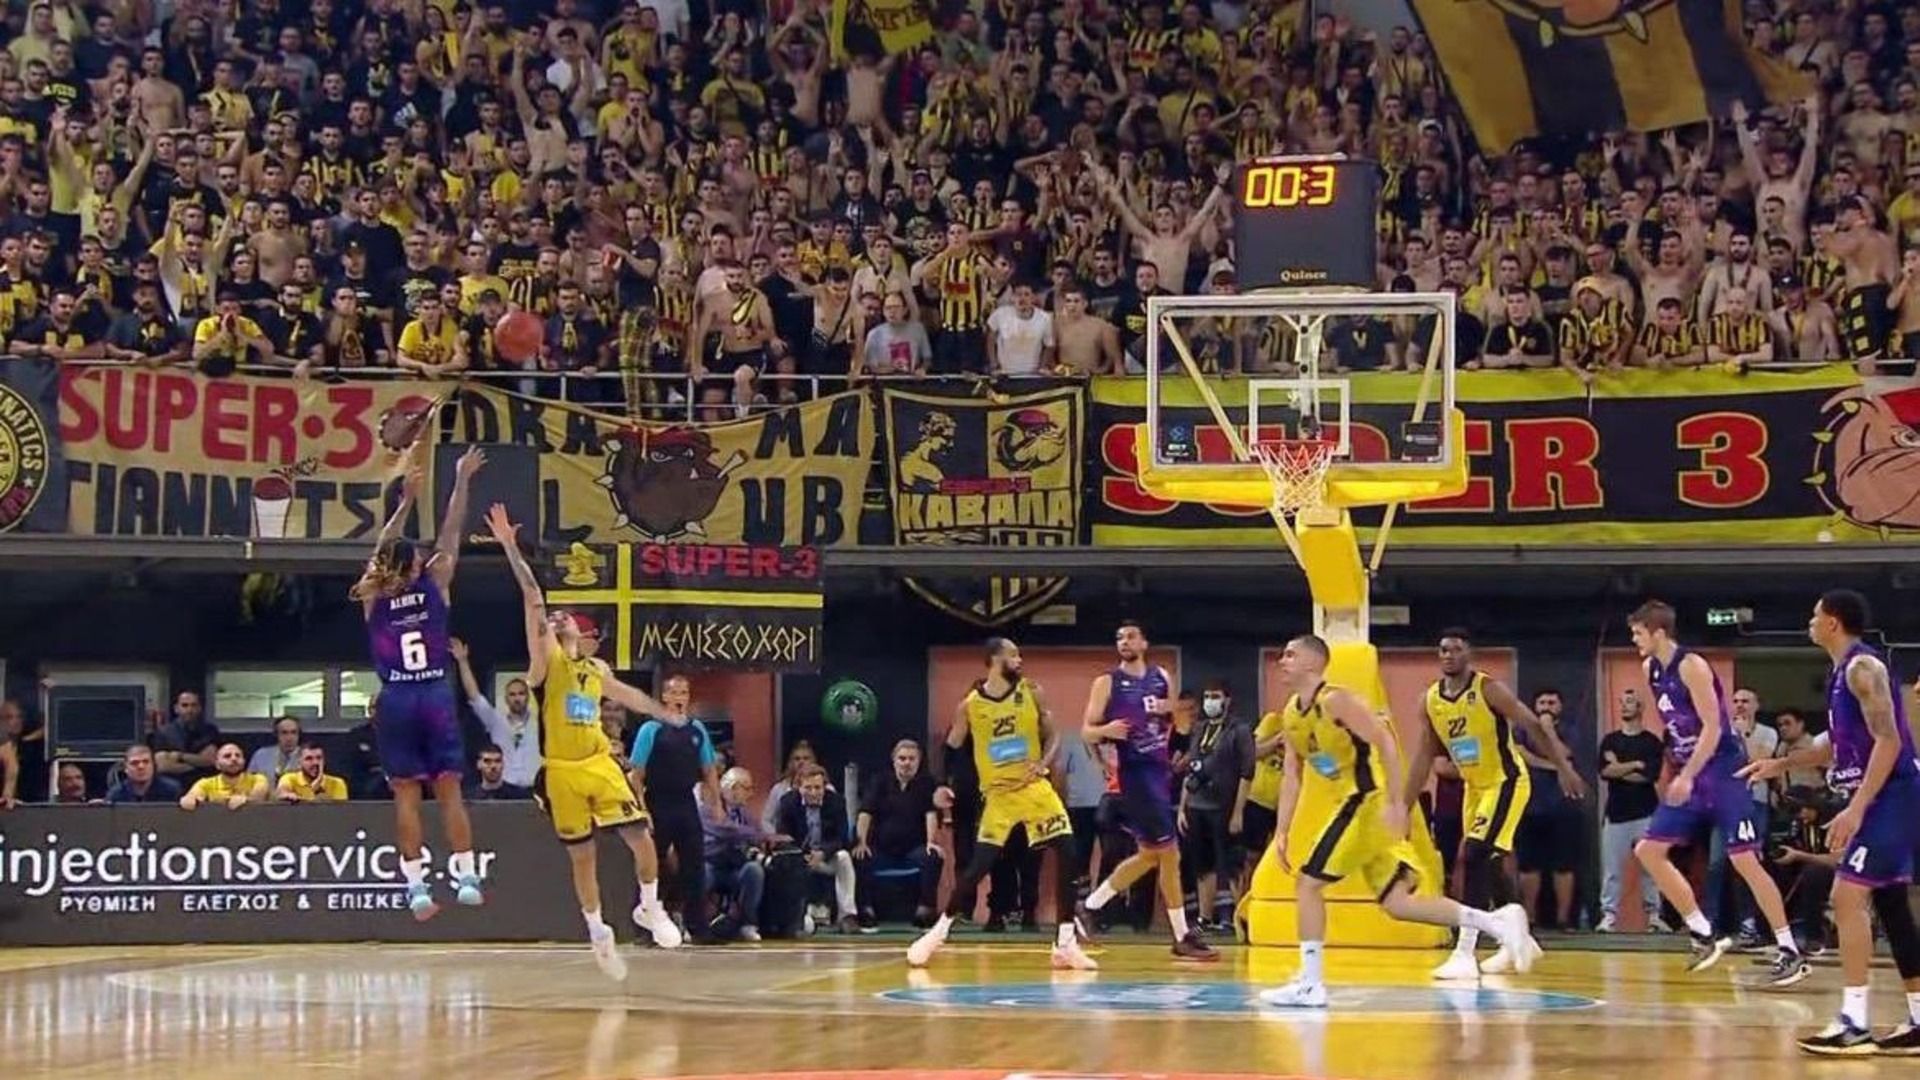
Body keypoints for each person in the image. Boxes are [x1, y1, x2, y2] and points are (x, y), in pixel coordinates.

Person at [1260, 634, 1539, 1009]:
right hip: (1352, 806)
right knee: (1397, 903)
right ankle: (1496, 922)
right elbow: (1292, 775)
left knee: (1308, 884)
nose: (1282, 661)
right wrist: (1282, 830)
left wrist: (1396, 803)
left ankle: (1310, 984)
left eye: (1290, 654)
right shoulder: (1292, 714)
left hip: (1365, 803)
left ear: (1312, 663)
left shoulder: (1336, 701)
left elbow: (1386, 742)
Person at [487, 504, 683, 976]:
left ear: (586, 634)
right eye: (554, 621)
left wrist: (664, 713)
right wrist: (510, 547)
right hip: (561, 771)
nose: (558, 620)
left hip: (598, 762)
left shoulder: (595, 669)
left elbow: (628, 695)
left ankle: (649, 907)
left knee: (641, 837)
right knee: (583, 857)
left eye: (566, 619)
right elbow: (533, 600)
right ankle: (598, 932)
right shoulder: (545, 666)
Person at [1741, 590, 1920, 1055]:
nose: (1810, 621)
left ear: (1834, 623)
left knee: (1846, 895)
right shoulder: (1841, 673)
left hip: (1893, 796)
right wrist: (1779, 765)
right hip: (1882, 798)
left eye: (1815, 615)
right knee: (1893, 908)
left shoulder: (1864, 668)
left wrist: (1856, 806)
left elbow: (1889, 741)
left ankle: (1853, 1024)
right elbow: (1835, 746)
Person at [1627, 600, 1810, 988]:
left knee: (1744, 860)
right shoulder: (1650, 669)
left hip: (1723, 771)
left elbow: (1712, 727)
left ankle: (1789, 949)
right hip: (1691, 772)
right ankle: (1701, 931)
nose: (1634, 639)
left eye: (1639, 633)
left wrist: (1687, 774)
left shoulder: (1691, 665)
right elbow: (1676, 727)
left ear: (1658, 632)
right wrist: (1678, 769)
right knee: (1648, 850)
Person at [1400, 628, 1586, 980]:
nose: (1448, 655)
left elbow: (1532, 724)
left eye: (1456, 649)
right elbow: (1424, 756)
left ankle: (1464, 952)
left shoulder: (1487, 689)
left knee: (1473, 855)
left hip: (1505, 781)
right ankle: (1519, 938)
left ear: (1469, 654)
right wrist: (1403, 806)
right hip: (1474, 788)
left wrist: (1563, 768)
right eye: (1443, 650)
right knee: (1491, 861)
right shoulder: (1430, 700)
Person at [351, 447, 486, 921]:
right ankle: (466, 877)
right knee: (449, 790)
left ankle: (416, 890)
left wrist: (404, 502)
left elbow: (381, 548)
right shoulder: (435, 583)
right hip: (432, 694)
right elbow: (452, 529)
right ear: (413, 566)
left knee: (406, 795)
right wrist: (461, 480)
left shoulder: (372, 596)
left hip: (396, 697)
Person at [908, 636, 1094, 970]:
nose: (1020, 660)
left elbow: (1053, 734)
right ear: (995, 659)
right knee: (978, 867)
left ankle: (1065, 942)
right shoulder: (970, 705)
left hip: (1035, 790)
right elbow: (951, 747)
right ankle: (936, 934)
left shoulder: (1031, 692)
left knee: (1068, 851)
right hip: (999, 796)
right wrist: (942, 785)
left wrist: (1043, 763)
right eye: (1013, 655)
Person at [1078, 621, 1217, 962]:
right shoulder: (1107, 682)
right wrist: (1106, 731)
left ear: (1144, 642)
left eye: (1130, 636)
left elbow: (1176, 722)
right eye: (1119, 638)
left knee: (1151, 855)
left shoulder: (1161, 676)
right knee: (1168, 854)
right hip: (1136, 775)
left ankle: (1090, 907)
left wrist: (1173, 711)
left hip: (1160, 772)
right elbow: (1086, 731)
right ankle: (1182, 936)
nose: (1124, 642)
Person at [629, 673, 725, 941]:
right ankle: (646, 927)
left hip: (685, 802)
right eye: (674, 693)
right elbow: (636, 774)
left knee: (694, 865)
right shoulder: (652, 729)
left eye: (684, 693)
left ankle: (698, 927)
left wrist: (716, 803)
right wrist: (642, 809)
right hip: (657, 801)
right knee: (653, 864)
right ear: (664, 697)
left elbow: (708, 769)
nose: (679, 698)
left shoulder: (697, 729)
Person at [1178, 681, 1255, 933]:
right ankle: (1204, 917)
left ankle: (1237, 918)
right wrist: (1183, 807)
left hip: (1225, 805)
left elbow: (1247, 772)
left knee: (1231, 864)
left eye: (1216, 696)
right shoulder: (1199, 728)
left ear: (1227, 700)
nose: (1211, 701)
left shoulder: (1239, 730)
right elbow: (1191, 770)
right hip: (1197, 804)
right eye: (1207, 696)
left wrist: (1238, 811)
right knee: (1203, 865)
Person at [1596, 689, 1665, 933]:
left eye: (1630, 702)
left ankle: (1654, 916)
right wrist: (1635, 764)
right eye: (1622, 702)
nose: (1625, 706)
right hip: (1616, 814)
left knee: (1652, 868)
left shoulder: (1652, 742)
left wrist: (1619, 767)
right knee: (1612, 870)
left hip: (1647, 813)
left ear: (1640, 708)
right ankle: (1608, 916)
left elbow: (1648, 777)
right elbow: (1606, 772)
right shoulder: (1610, 741)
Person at [178, 743, 269, 810]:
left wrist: (246, 800)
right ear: (217, 764)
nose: (234, 759)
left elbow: (258, 800)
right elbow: (191, 797)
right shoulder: (205, 783)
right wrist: (189, 800)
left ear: (244, 761)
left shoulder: (258, 779)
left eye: (238, 756)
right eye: (227, 756)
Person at [104, 745, 182, 804]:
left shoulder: (172, 791)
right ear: (126, 768)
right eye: (134, 763)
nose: (141, 767)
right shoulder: (116, 794)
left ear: (153, 766)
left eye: (146, 762)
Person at [276, 744, 349, 802]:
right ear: (299, 762)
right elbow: (281, 792)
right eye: (309, 758)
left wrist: (317, 790)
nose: (315, 763)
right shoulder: (289, 779)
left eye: (319, 758)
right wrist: (287, 795)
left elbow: (338, 812)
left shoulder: (337, 783)